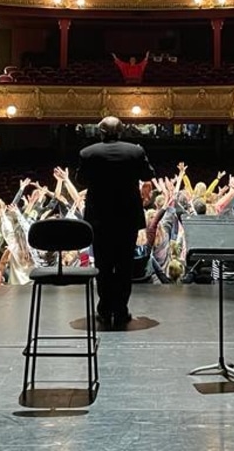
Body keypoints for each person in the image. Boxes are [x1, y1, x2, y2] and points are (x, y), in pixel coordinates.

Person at [76, 116, 155, 329]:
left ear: (101, 132)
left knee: (102, 264)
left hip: (100, 219)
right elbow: (148, 174)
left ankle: (104, 309)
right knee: (123, 266)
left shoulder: (88, 153)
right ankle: (121, 310)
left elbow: (80, 180)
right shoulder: (135, 152)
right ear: (121, 132)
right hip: (126, 218)